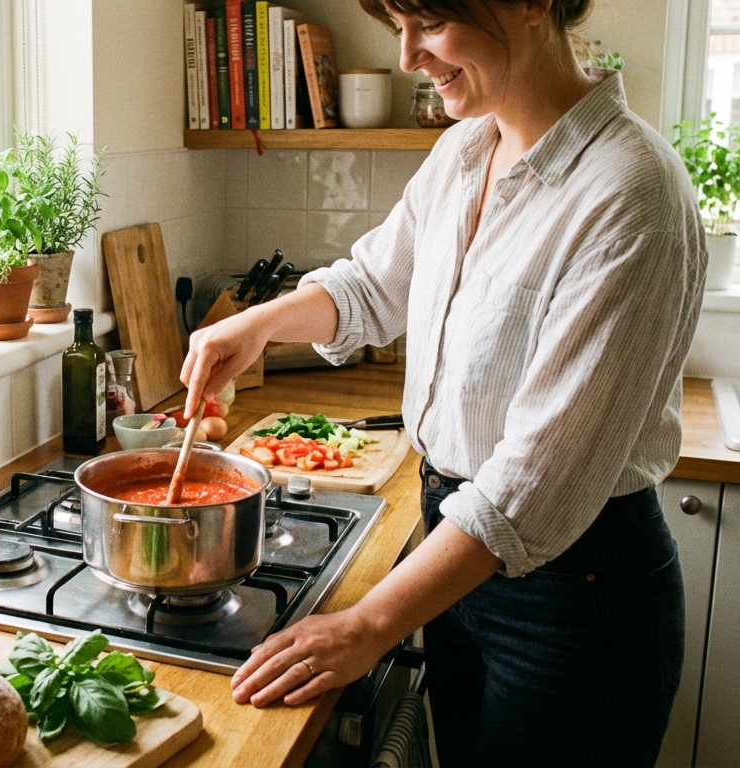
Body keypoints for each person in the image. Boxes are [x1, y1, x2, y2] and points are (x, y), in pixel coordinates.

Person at [178, 0, 706, 764]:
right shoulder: (465, 150)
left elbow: (533, 487)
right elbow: (368, 288)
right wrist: (256, 324)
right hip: (459, 563)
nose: (407, 57)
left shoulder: (632, 192)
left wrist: (365, 625)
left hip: (576, 600)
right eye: (398, 27)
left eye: (426, 22)